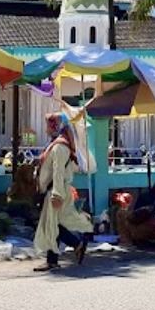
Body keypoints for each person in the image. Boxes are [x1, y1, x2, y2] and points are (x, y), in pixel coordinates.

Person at [33, 112, 91, 272]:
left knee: (53, 224)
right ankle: (55, 258)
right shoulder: (58, 143)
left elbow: (58, 172)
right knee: (54, 224)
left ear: (56, 125)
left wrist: (56, 194)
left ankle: (75, 244)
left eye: (49, 125)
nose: (46, 129)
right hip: (56, 189)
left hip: (57, 190)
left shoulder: (60, 146)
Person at [115, 181, 155, 248]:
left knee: (121, 213)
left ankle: (126, 241)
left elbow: (135, 216)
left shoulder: (146, 197)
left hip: (147, 228)